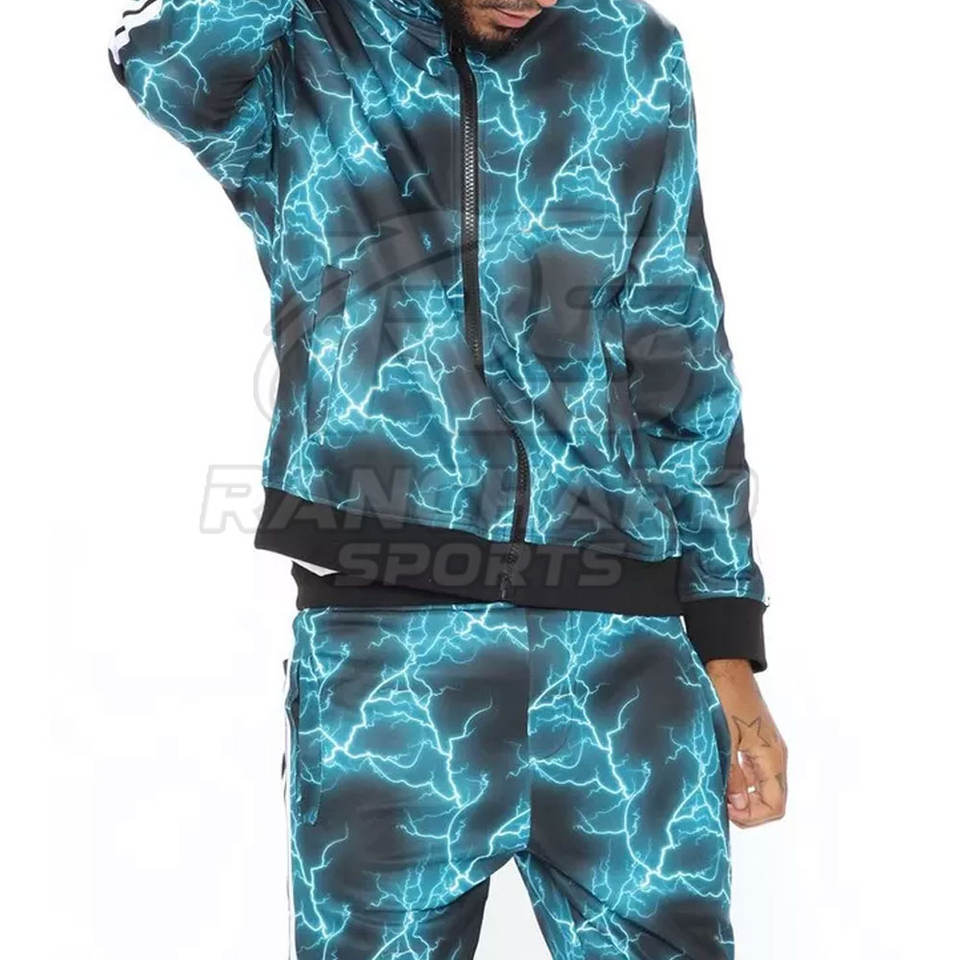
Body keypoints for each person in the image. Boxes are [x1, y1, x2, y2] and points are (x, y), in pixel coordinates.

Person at [110, 0, 787, 956]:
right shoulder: (308, 44)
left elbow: (680, 348)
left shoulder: (632, 53)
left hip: (624, 656)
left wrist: (726, 646)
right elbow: (161, 58)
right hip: (389, 670)